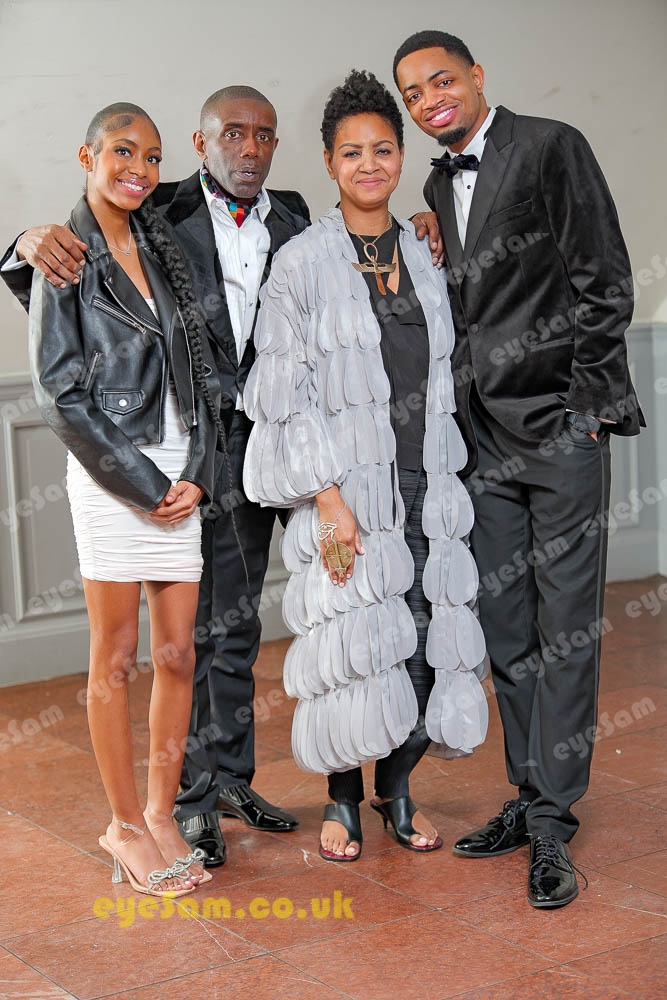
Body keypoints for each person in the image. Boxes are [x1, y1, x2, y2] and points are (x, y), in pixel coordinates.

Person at [2, 86, 444, 867]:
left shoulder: (297, 217)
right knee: (214, 628)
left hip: (297, 438)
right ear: (202, 143)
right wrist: (21, 243)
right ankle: (200, 797)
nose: (249, 148)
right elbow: (76, 262)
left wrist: (423, 225)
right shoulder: (156, 207)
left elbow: (359, 247)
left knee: (318, 607)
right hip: (207, 446)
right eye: (232, 134)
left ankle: (266, 782)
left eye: (263, 136)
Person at [393, 30, 644, 907]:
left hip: (560, 429)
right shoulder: (436, 183)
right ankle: (529, 788)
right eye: (412, 94)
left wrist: (585, 411)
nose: (429, 100)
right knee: (506, 623)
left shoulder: (549, 145)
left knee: (564, 626)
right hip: (482, 439)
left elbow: (604, 280)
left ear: (475, 76)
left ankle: (552, 819)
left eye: (441, 81)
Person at [243, 70, 487, 862]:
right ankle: (343, 800)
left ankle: (397, 789)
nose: (369, 165)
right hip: (343, 494)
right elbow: (284, 393)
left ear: (401, 156)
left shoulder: (425, 252)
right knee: (348, 648)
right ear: (327, 162)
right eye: (351, 152)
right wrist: (327, 498)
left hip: (426, 481)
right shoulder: (300, 264)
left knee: (417, 641)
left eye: (383, 149)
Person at [28, 102, 224, 896]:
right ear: (88, 156)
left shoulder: (161, 243)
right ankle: (122, 825)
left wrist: (198, 471)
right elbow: (58, 395)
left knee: (178, 654)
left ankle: (160, 811)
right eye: (121, 151)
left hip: (180, 469)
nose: (138, 168)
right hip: (114, 471)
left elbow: (201, 375)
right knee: (115, 655)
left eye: (151, 156)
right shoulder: (63, 257)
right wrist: (143, 486)